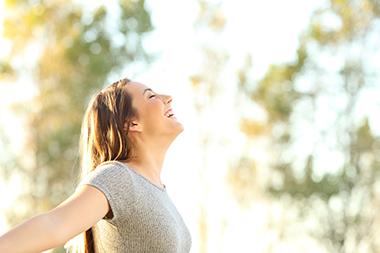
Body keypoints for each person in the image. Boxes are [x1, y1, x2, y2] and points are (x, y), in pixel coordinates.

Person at [0, 78, 192, 253]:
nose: (168, 98)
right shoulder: (119, 177)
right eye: (151, 96)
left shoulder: (159, 192)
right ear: (131, 124)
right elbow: (54, 225)